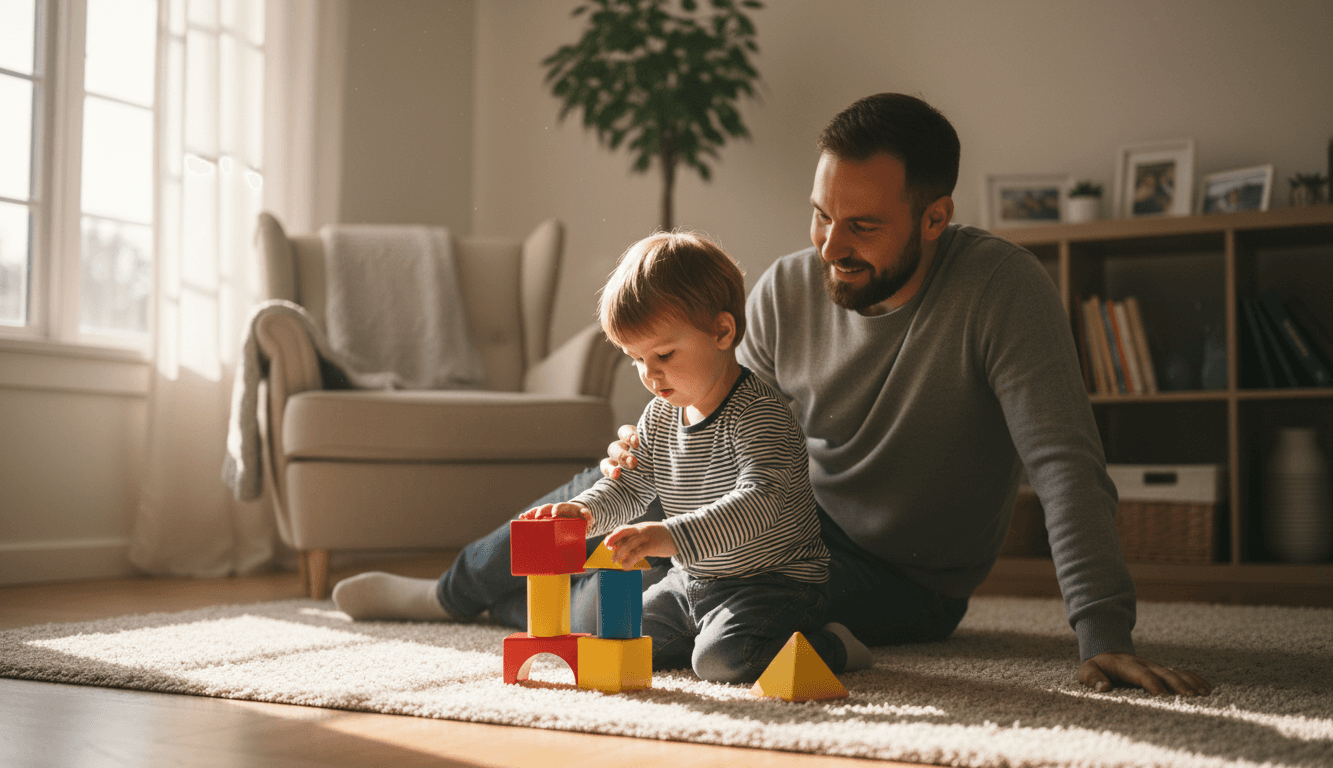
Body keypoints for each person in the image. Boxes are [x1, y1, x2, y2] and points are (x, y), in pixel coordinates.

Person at [333, 92, 1211, 697]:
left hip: (904, 574)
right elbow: (721, 412)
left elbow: (1065, 463)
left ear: (935, 219)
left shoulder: (1001, 291)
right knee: (597, 515)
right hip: (785, 507)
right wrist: (654, 452)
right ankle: (450, 596)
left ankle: (516, 603)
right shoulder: (790, 288)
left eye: (863, 226)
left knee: (716, 622)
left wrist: (1103, 634)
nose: (832, 247)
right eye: (822, 214)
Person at [515, 231, 871, 681]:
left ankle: (835, 645)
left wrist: (669, 536)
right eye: (635, 359)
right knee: (604, 632)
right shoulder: (661, 415)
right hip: (695, 581)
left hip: (775, 583)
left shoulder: (759, 415)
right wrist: (586, 512)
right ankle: (706, 630)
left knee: (722, 660)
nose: (649, 374)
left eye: (663, 354)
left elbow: (758, 503)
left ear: (721, 332)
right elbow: (630, 485)